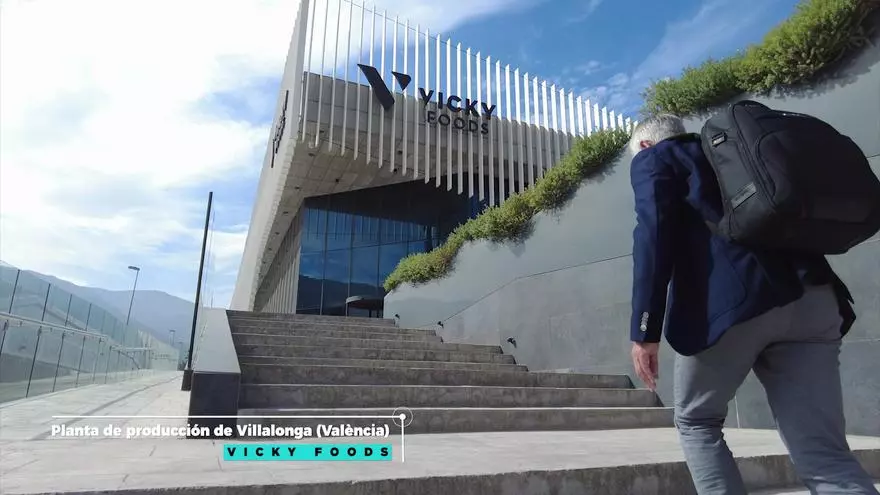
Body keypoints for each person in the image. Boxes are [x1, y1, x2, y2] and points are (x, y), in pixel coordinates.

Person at [627, 114, 878, 495]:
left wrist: (644, 331)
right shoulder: (731, 148)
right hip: (813, 296)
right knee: (824, 451)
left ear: (645, 145)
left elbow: (653, 236)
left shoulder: (657, 159)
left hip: (735, 306)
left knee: (697, 421)